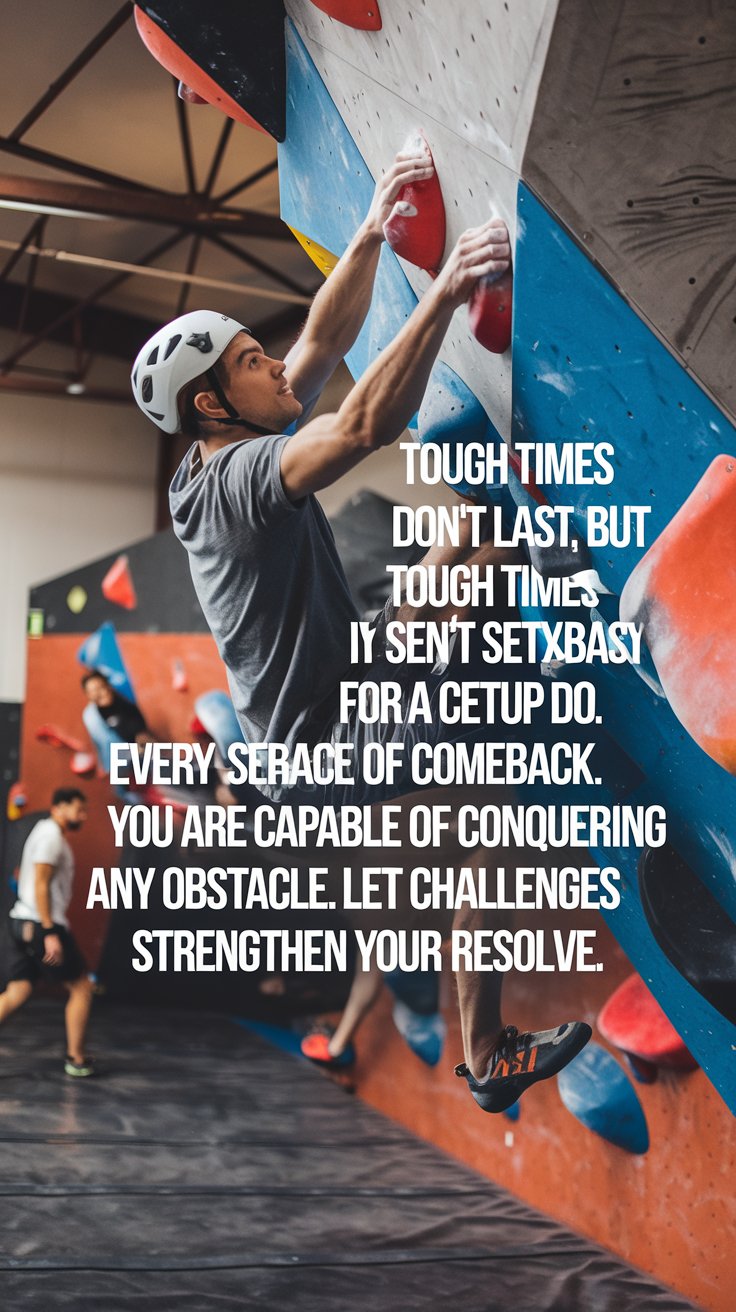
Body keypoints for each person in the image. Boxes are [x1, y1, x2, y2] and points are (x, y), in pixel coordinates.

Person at [131, 147, 591, 1112]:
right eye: (253, 365)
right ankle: (489, 1051)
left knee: (478, 533)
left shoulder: (227, 438)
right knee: (490, 814)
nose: (276, 365)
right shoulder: (240, 479)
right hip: (325, 744)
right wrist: (447, 288)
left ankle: (508, 665)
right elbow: (362, 423)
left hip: (352, 674)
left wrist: (373, 230)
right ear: (214, 405)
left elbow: (322, 343)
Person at [1, 787, 95, 1077]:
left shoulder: (43, 830)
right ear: (59, 807)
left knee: (19, 990)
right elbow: (41, 883)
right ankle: (76, 1059)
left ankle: (75, 1056)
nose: (83, 816)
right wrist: (50, 930)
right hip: (40, 923)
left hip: (21, 920)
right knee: (81, 987)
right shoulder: (51, 838)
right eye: (78, 809)